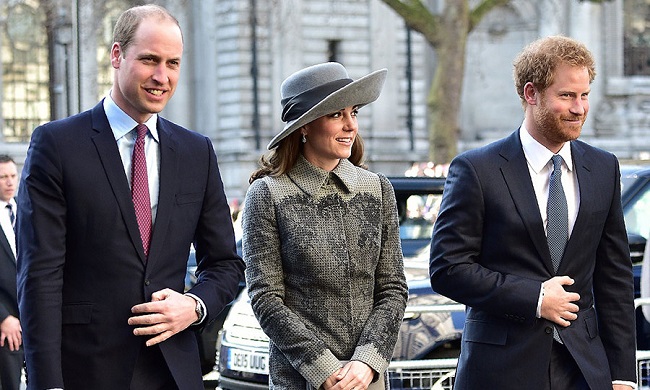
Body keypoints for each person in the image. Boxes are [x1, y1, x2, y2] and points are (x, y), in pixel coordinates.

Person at [16, 4, 244, 390]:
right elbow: (39, 277)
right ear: (117, 55)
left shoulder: (196, 152)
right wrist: (46, 383)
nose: (162, 76)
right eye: (150, 60)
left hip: (174, 372)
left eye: (173, 63)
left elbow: (224, 264)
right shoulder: (56, 145)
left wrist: (193, 305)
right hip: (85, 372)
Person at [429, 35, 637, 390]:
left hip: (585, 371)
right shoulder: (477, 170)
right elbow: (448, 269)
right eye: (567, 96)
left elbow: (614, 277)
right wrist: (535, 298)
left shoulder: (603, 168)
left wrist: (622, 376)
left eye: (584, 95)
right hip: (499, 370)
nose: (579, 108)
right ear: (531, 93)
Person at [242, 62, 408, 390]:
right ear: (304, 126)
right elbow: (265, 297)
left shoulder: (378, 188)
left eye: (354, 113)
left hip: (368, 379)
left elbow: (392, 288)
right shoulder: (267, 194)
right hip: (301, 378)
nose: (350, 126)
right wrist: (323, 368)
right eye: (336, 115)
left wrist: (367, 361)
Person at [0, 155, 22, 390]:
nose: (9, 182)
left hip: (33, 320)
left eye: (13, 176)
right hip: (5, 327)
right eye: (3, 177)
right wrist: (3, 318)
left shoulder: (26, 210)